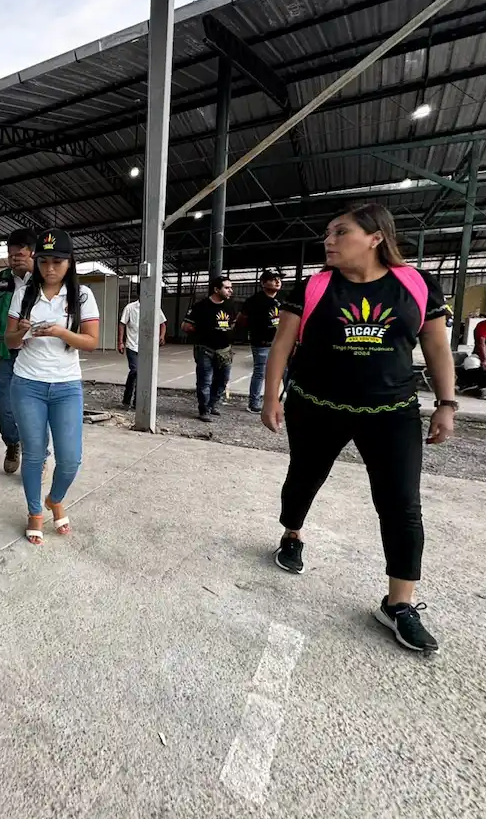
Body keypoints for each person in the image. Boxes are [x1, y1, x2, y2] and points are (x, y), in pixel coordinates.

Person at [261, 203, 456, 653]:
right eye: (327, 233)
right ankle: (292, 534)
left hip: (393, 412)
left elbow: (437, 347)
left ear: (375, 238)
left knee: (402, 502)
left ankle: (399, 604)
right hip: (317, 406)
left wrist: (446, 403)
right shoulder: (313, 286)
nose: (328, 241)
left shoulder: (417, 285)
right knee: (304, 477)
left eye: (339, 232)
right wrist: (272, 397)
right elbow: (282, 345)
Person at [5, 229, 100, 545]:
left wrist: (60, 332)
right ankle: (35, 511)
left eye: (57, 261)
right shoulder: (24, 294)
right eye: (43, 261)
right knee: (34, 454)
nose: (49, 268)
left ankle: (55, 498)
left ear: (70, 262)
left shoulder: (82, 295)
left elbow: (90, 342)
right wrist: (22, 331)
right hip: (28, 384)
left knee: (70, 458)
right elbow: (9, 341)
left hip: (66, 387)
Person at [0, 229, 35, 474]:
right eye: (11, 254)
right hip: (8, 351)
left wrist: (32, 272)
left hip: (34, 353)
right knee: (0, 401)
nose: (15, 259)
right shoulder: (3, 278)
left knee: (34, 406)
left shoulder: (43, 277)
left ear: (32, 253)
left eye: (20, 254)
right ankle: (13, 443)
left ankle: (37, 455)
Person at [182, 276, 236, 421]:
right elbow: (185, 326)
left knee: (223, 379)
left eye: (230, 287)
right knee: (205, 380)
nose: (230, 290)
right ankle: (204, 409)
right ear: (216, 289)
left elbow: (233, 324)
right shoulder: (201, 306)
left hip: (225, 350)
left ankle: (212, 405)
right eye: (227, 287)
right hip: (205, 349)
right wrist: (202, 331)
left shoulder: (231, 306)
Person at [240, 269, 283, 413]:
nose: (277, 281)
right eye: (273, 279)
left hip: (280, 343)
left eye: (279, 279)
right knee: (260, 372)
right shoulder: (254, 301)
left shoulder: (281, 300)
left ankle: (283, 401)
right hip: (261, 343)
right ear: (263, 283)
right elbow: (242, 319)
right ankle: (254, 403)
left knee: (285, 372)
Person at [118, 297, 166, 409]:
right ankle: (127, 399)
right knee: (135, 370)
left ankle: (137, 401)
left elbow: (162, 323)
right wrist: (120, 342)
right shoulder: (130, 308)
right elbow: (122, 324)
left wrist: (162, 336)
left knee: (143, 374)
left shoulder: (155, 308)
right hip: (132, 345)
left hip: (147, 347)